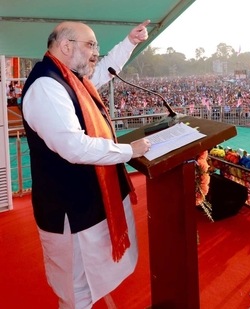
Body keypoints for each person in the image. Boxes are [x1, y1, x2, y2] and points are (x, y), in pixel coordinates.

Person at [20, 20, 152, 309]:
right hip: (68, 208)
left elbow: (104, 72)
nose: (95, 52)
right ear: (66, 46)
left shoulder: (68, 77)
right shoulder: (46, 86)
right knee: (75, 287)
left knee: (87, 278)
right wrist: (127, 151)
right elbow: (74, 146)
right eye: (90, 45)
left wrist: (128, 43)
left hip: (85, 201)